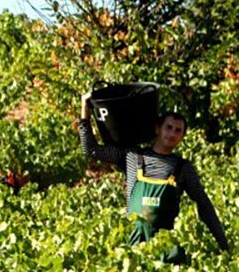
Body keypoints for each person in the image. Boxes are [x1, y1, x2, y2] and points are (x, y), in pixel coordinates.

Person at [79, 93, 230, 262]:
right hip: (132, 252)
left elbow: (204, 205)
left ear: (182, 137)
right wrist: (85, 109)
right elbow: (90, 150)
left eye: (178, 130)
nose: (172, 133)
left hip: (166, 254)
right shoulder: (132, 156)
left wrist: (224, 245)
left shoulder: (183, 168)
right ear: (158, 128)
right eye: (169, 127)